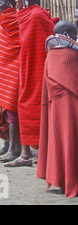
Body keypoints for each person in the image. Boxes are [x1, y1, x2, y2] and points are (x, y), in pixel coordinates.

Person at [4, 0, 55, 167]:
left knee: (34, 109)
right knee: (24, 107)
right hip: (26, 68)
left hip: (37, 70)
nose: (15, 0)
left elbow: (42, 45)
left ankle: (40, 156)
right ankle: (26, 154)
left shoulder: (36, 16)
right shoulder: (27, 14)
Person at [37, 21, 78, 197]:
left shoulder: (51, 54)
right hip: (71, 105)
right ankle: (71, 180)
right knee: (71, 140)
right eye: (75, 34)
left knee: (60, 141)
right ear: (67, 33)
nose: (76, 37)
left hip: (56, 107)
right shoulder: (71, 54)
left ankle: (61, 180)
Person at [0, 0, 22, 163]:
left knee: (13, 109)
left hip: (14, 70)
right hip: (3, 70)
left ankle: (16, 149)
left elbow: (20, 44)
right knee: (8, 110)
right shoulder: (3, 20)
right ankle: (12, 146)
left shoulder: (16, 19)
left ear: (9, 4)